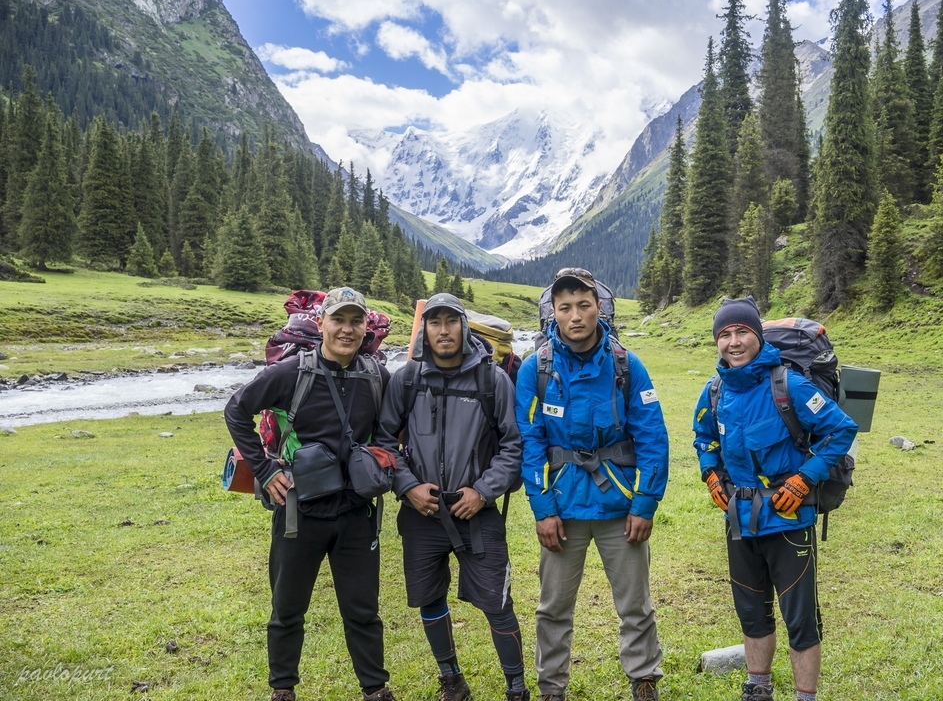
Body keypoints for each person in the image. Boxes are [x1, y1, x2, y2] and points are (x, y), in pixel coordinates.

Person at [224, 287, 395, 701]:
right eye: (339, 320)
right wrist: (264, 471)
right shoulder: (291, 373)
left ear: (364, 328)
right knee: (287, 608)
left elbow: (393, 430)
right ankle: (283, 691)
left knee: (363, 612)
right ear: (321, 324)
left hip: (356, 513)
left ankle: (375, 691)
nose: (347, 329)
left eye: (356, 321)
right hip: (298, 512)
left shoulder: (376, 376)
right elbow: (236, 409)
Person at [692, 297, 858, 701]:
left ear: (757, 336)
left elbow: (841, 430)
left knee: (800, 619)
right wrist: (710, 472)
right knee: (751, 613)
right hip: (739, 517)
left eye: (742, 332)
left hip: (790, 519)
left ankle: (805, 696)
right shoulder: (714, 391)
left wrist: (806, 479)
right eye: (725, 334)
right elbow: (704, 438)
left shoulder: (789, 385)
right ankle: (758, 688)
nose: (734, 342)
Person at [515, 268, 669, 701]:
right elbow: (530, 443)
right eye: (566, 307)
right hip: (562, 508)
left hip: (619, 505)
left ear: (598, 307)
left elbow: (653, 436)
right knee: (553, 607)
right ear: (554, 312)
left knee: (635, 604)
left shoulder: (626, 364)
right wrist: (542, 510)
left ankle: (643, 679)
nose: (576, 315)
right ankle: (552, 689)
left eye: (584, 305)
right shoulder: (535, 369)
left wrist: (645, 503)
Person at [375, 293, 529, 701]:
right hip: (421, 512)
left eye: (451, 321)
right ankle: (452, 681)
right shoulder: (408, 378)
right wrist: (407, 486)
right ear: (425, 329)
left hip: (476, 512)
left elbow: (514, 446)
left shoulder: (490, 379)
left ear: (463, 326)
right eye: (435, 322)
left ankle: (517, 688)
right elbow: (384, 440)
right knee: (429, 596)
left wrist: (482, 490)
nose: (443, 330)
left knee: (497, 602)